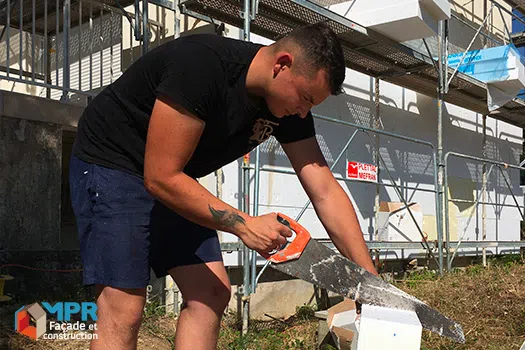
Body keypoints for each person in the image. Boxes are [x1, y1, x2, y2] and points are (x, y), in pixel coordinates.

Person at [69, 21, 378, 350]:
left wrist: (369, 284)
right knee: (124, 307)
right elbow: (159, 177)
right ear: (282, 64)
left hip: (172, 176)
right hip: (114, 163)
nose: (303, 112)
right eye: (304, 98)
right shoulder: (201, 65)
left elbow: (325, 191)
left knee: (210, 293)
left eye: (311, 105)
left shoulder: (289, 111)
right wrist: (244, 225)